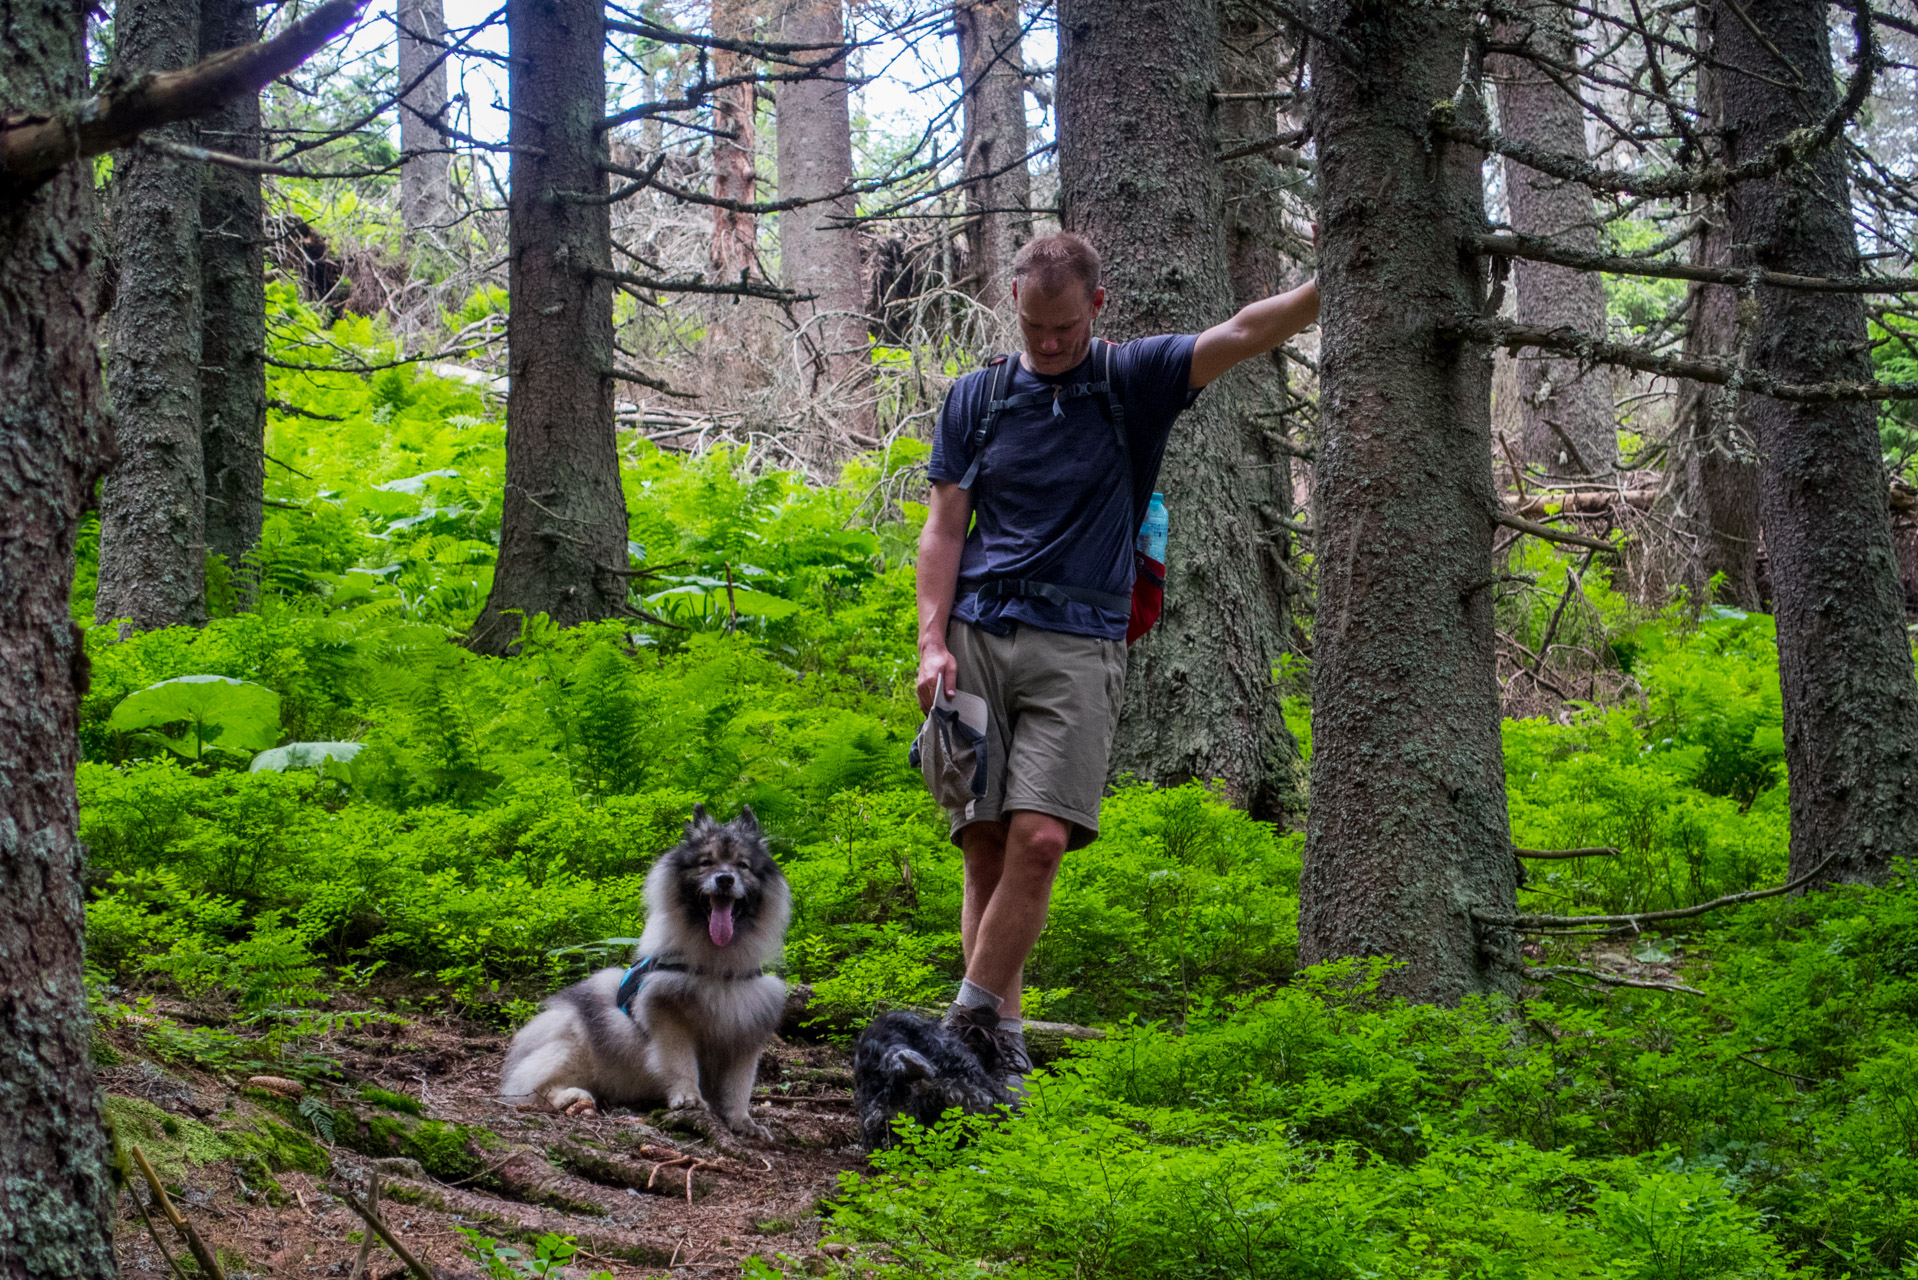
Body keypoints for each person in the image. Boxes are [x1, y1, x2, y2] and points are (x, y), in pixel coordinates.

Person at [915, 230, 1320, 1093]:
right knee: (983, 847)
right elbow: (946, 529)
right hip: (977, 634)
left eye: (1063, 328)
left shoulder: (1130, 381)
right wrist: (929, 641)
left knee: (1043, 837)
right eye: (1034, 329)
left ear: (1097, 308)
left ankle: (963, 1024)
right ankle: (1004, 1055)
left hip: (1079, 643)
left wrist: (1338, 278)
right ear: (1013, 308)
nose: (1050, 344)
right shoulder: (978, 398)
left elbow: (1244, 332)